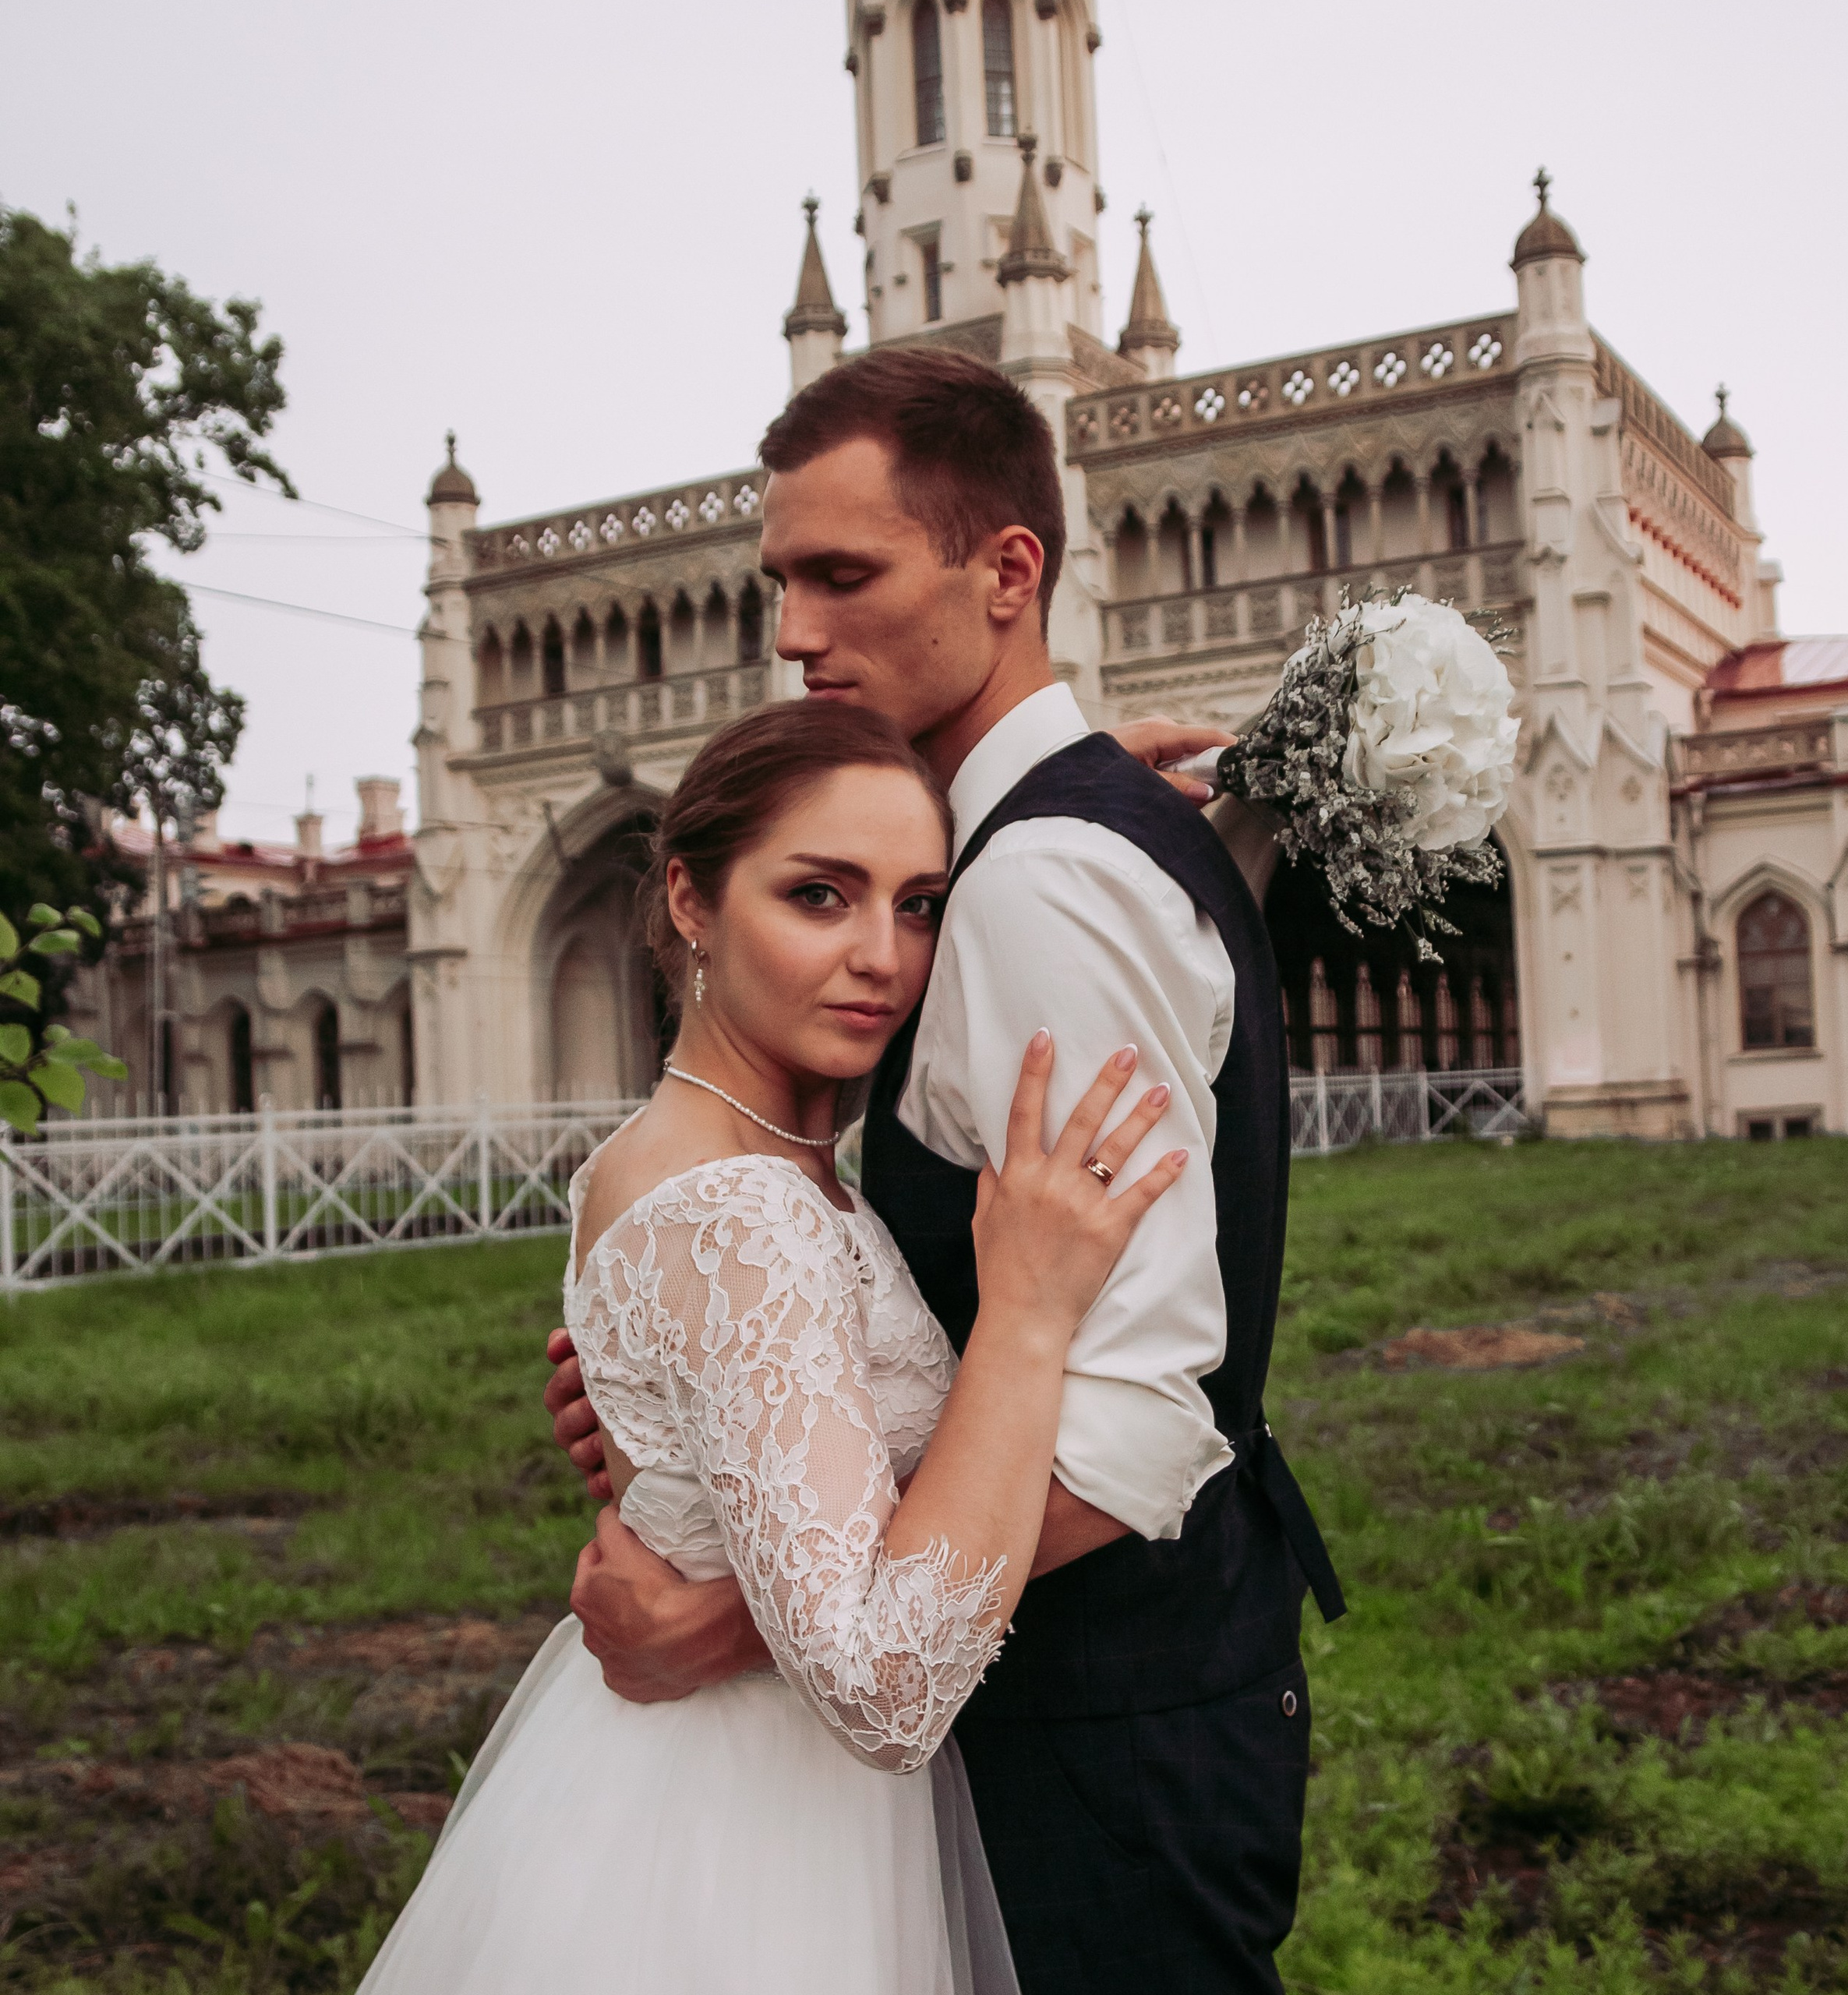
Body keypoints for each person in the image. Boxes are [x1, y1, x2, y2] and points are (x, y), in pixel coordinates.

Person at [547, 347, 1344, 1993]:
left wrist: (742, 1612)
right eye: (781, 578)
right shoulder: (1024, 843)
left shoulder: (1043, 873)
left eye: (843, 574)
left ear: (1005, 573)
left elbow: (1137, 1398)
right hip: (1039, 1715)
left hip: (1096, 1725)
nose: (791, 629)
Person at [359, 701, 1187, 1995]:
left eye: (919, 905)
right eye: (818, 895)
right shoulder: (741, 1209)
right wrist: (1026, 1313)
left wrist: (1095, 794)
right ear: (688, 900)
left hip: (708, 1789)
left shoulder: (712, 1161)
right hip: (748, 1850)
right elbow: (881, 1688)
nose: (882, 957)